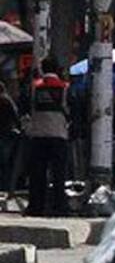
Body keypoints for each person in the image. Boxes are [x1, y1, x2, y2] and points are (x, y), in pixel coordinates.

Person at [26, 58, 71, 216]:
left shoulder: (34, 88)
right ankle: (59, 207)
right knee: (59, 174)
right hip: (59, 135)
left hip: (38, 136)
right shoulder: (65, 88)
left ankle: (36, 207)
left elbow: (25, 107)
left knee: (37, 174)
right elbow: (73, 110)